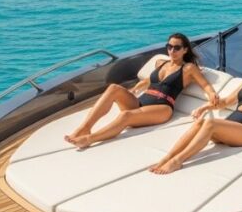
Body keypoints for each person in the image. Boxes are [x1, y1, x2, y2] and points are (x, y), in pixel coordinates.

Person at [149, 51, 242, 174]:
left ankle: (177, 161)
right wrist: (205, 107)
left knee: (211, 122)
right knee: (201, 121)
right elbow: (225, 102)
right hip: (230, 127)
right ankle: (167, 158)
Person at [66, 33, 218, 149]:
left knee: (125, 115)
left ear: (185, 50)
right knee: (113, 88)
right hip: (141, 101)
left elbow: (204, 85)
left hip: (162, 107)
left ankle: (89, 140)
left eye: (177, 47)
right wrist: (136, 88)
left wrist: (212, 94)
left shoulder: (188, 68)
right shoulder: (160, 62)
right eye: (169, 46)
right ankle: (84, 128)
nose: (172, 50)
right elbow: (152, 81)